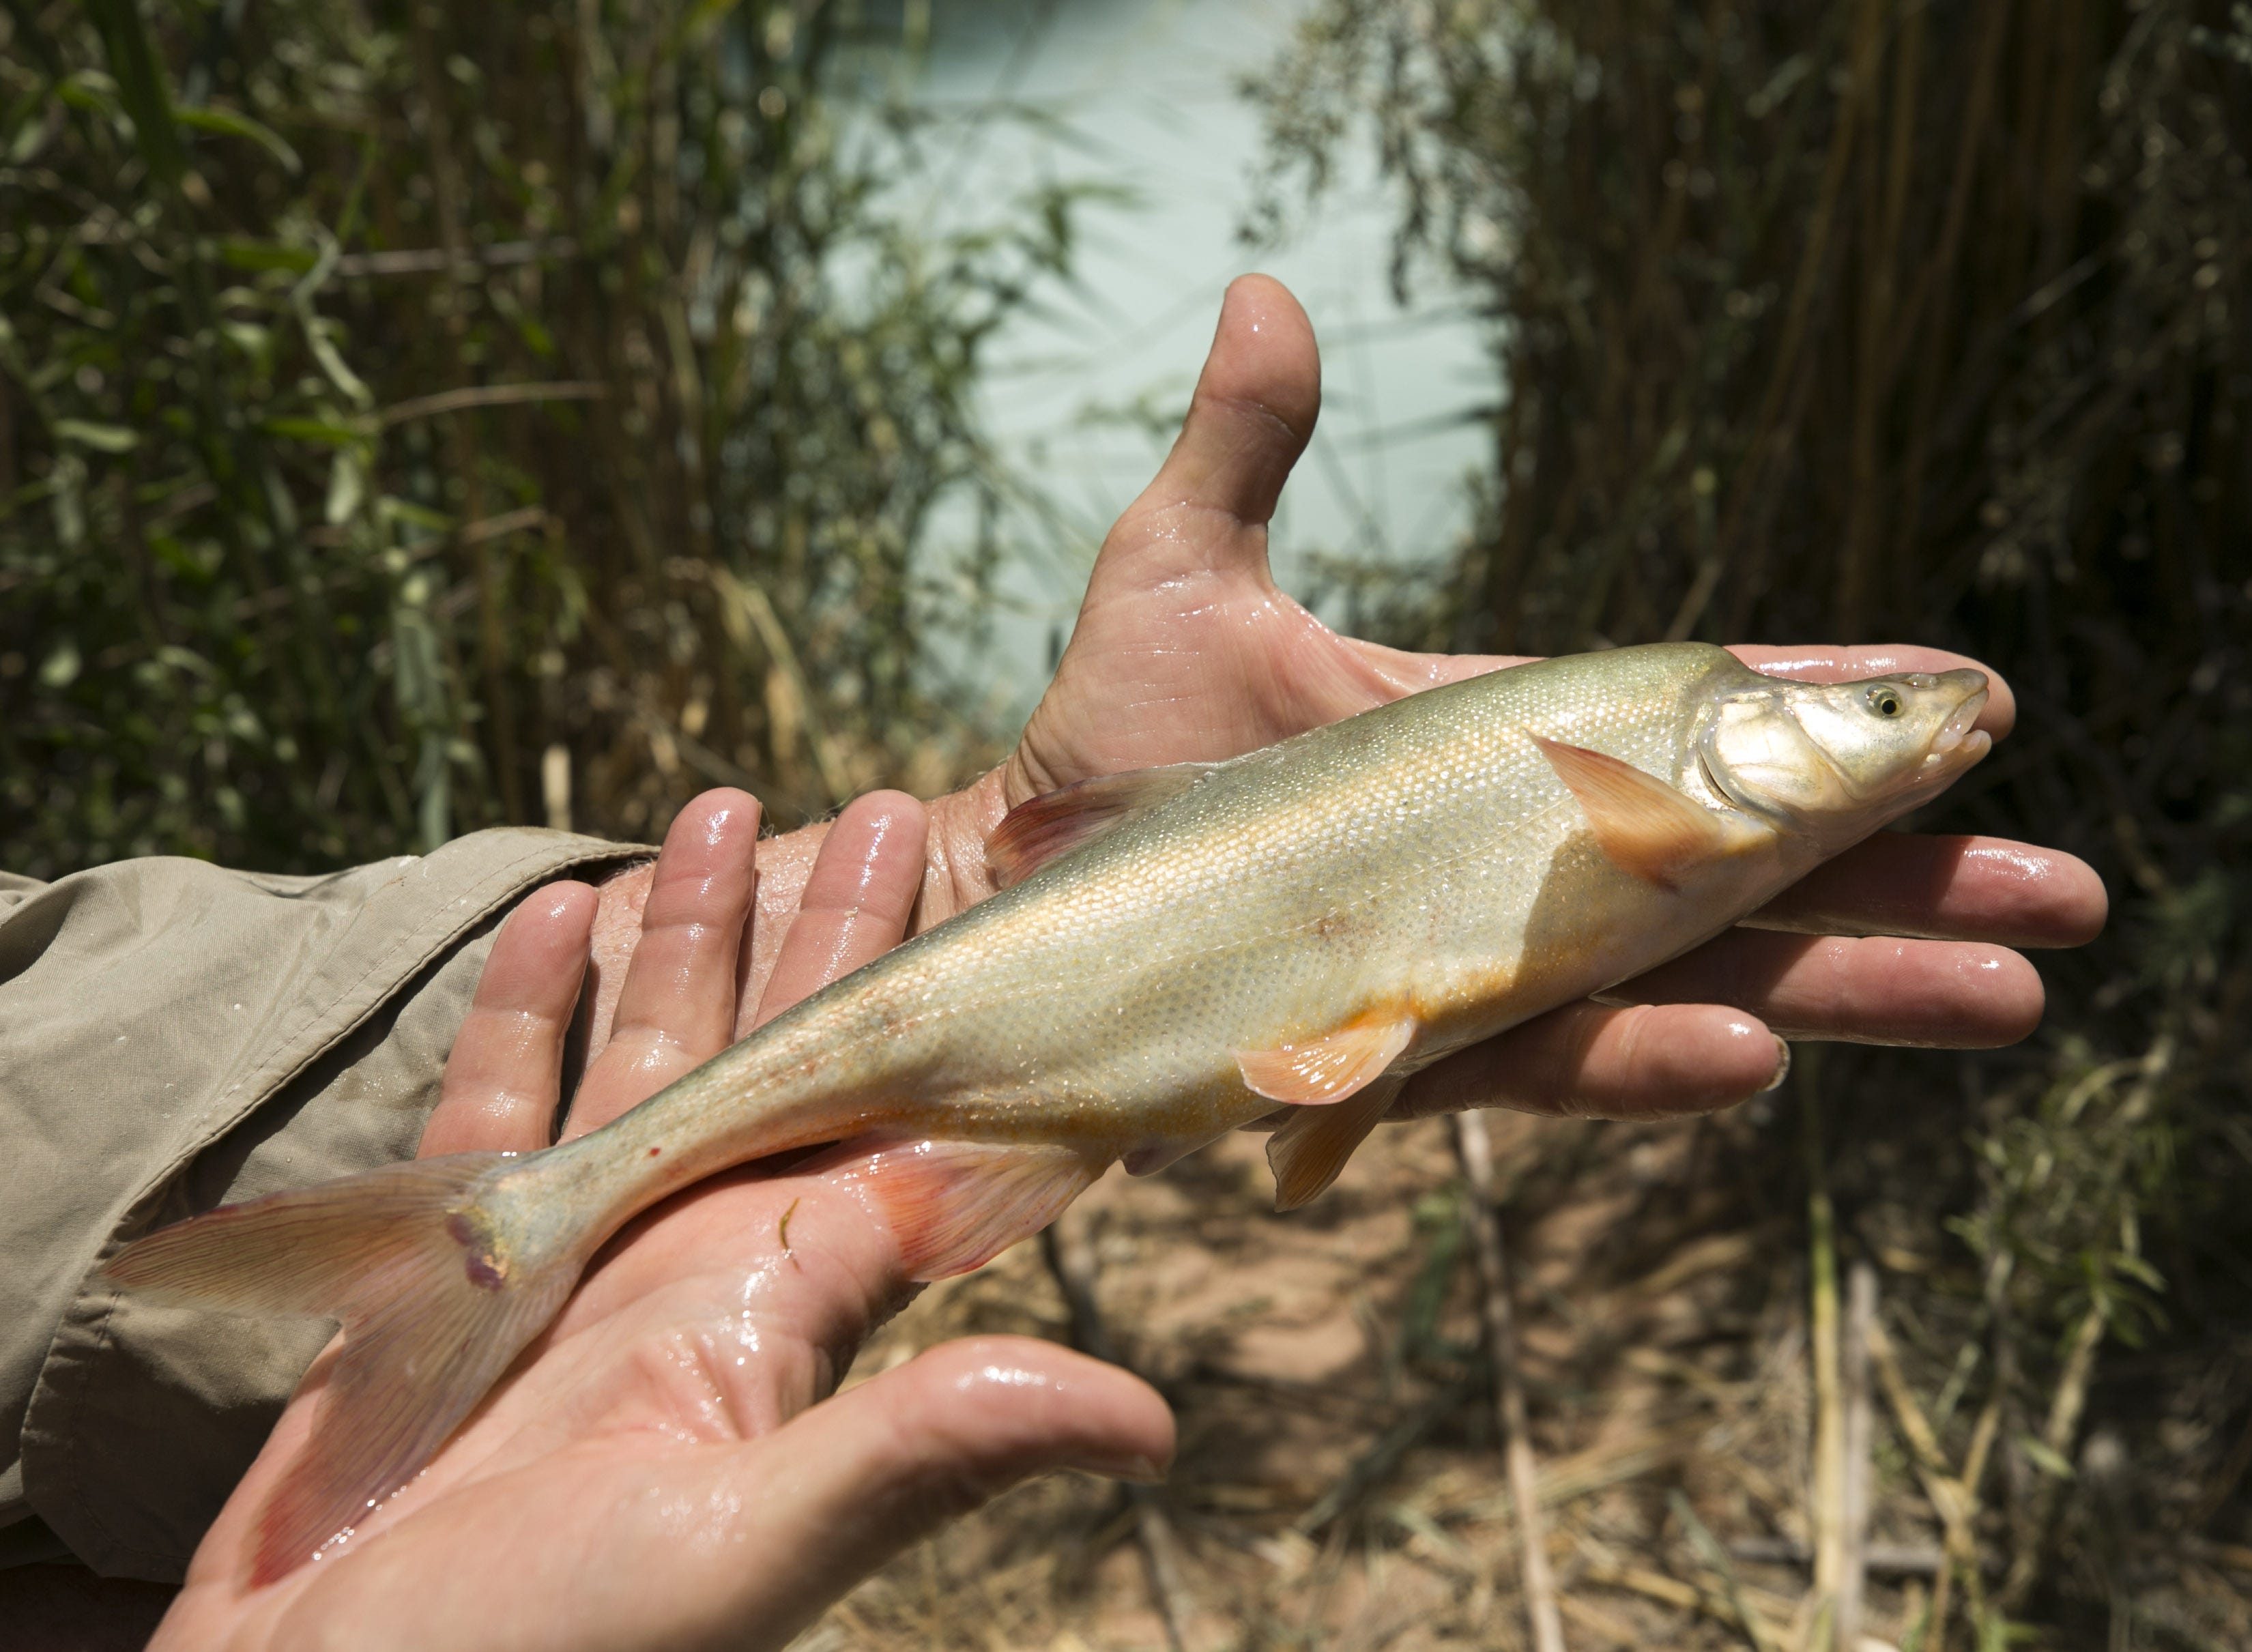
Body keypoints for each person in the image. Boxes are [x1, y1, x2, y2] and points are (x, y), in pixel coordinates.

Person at [0, 276, 2105, 1648]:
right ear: (1739, 728)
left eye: (1899, 729)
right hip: (1021, 1001)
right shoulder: (1665, 752)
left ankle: (507, 1225)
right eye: (1877, 719)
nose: (1922, 733)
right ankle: (511, 1229)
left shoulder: (1688, 785)